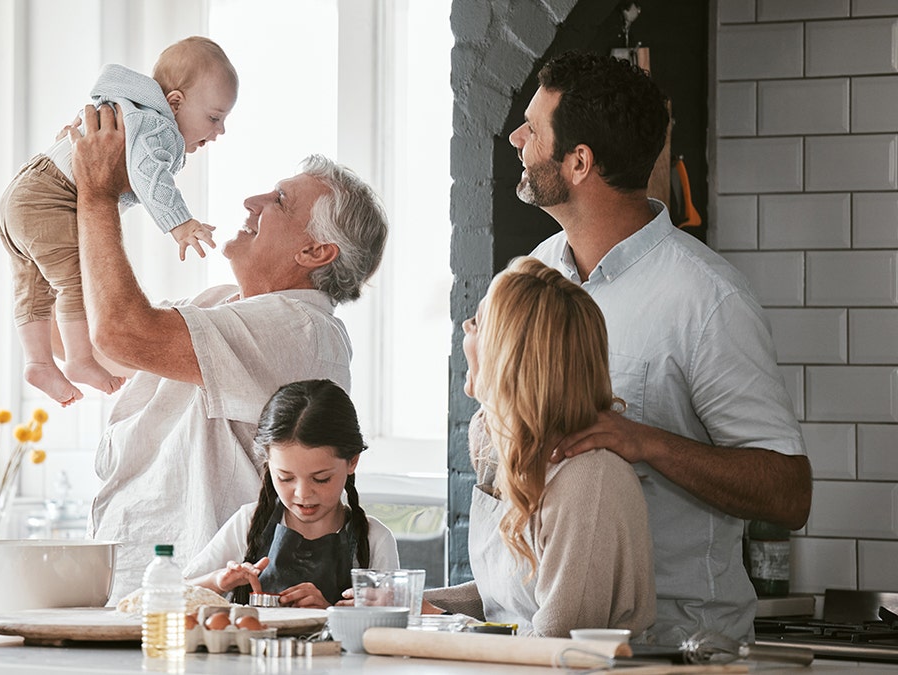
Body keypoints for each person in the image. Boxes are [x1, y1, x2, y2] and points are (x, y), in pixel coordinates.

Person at [509, 50, 811, 643]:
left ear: (579, 162)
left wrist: (642, 441)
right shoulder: (531, 276)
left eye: (534, 129)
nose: (517, 137)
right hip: (549, 637)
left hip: (680, 647)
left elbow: (789, 492)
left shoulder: (708, 299)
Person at [66, 103, 389, 601]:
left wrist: (97, 194)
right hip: (147, 594)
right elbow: (99, 346)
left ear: (315, 252)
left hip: (201, 604)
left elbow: (119, 332)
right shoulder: (222, 304)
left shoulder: (300, 329)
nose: (252, 201)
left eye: (280, 200)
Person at [0, 36, 238, 406]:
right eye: (214, 118)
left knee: (33, 287)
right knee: (78, 279)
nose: (218, 132)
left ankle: (38, 362)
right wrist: (180, 223)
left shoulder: (125, 108)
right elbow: (149, 176)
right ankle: (79, 361)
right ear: (175, 102)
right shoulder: (157, 126)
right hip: (53, 197)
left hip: (22, 194)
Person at [423, 257, 655, 638]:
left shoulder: (588, 481)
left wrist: (448, 625)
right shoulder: (511, 452)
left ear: (508, 357)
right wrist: (415, 605)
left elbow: (556, 646)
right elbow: (510, 593)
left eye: (478, 323)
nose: (466, 330)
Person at [183, 380, 399, 609]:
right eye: (285, 478)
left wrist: (329, 611)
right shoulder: (247, 523)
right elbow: (170, 596)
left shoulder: (374, 539)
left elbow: (393, 628)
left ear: (352, 461)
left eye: (321, 478)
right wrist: (218, 581)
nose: (303, 494)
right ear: (268, 462)